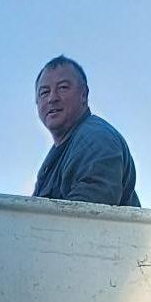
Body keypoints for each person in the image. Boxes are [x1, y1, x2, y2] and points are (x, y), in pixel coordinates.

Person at [33, 56, 139, 207]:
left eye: (62, 87)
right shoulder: (52, 161)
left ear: (83, 94)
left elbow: (84, 220)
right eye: (44, 92)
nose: (52, 98)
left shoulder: (95, 139)